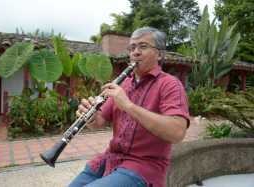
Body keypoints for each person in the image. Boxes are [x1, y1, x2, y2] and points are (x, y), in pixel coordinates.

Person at [68, 27, 190, 187]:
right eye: (132, 48)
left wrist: (128, 106)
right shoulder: (123, 84)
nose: (135, 52)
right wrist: (90, 116)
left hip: (144, 167)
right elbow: (99, 122)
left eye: (143, 46)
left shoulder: (170, 84)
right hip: (110, 159)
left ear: (159, 54)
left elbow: (177, 132)